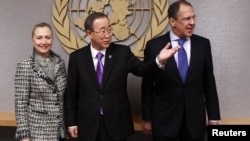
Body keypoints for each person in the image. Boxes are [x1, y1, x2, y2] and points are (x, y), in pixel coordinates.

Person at [64, 12, 179, 141]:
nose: (107, 35)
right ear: (89, 33)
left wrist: (159, 60)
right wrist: (71, 122)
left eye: (109, 29)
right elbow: (71, 94)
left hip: (116, 122)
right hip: (88, 123)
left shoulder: (122, 53)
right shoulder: (77, 58)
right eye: (102, 31)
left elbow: (142, 69)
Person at [141, 1, 221, 141]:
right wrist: (147, 118)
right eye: (186, 19)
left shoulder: (203, 44)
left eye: (193, 18)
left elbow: (209, 83)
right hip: (164, 120)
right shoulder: (154, 46)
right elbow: (147, 86)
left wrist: (214, 117)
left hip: (194, 121)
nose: (192, 22)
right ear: (172, 21)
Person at [14, 22, 68, 141]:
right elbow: (20, 104)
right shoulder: (25, 66)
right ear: (33, 41)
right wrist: (24, 136)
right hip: (36, 133)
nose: (44, 42)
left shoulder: (60, 64)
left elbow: (63, 98)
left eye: (47, 37)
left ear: (52, 39)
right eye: (39, 38)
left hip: (59, 132)